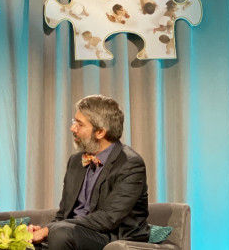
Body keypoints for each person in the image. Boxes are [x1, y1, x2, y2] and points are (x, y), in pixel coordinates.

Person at [29, 95, 149, 250]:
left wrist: (50, 230)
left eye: (79, 124)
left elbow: (108, 219)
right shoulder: (75, 161)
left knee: (60, 234)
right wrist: (42, 231)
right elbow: (63, 214)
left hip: (111, 236)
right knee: (21, 244)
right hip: (70, 234)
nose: (72, 128)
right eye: (74, 122)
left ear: (100, 132)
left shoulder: (130, 164)